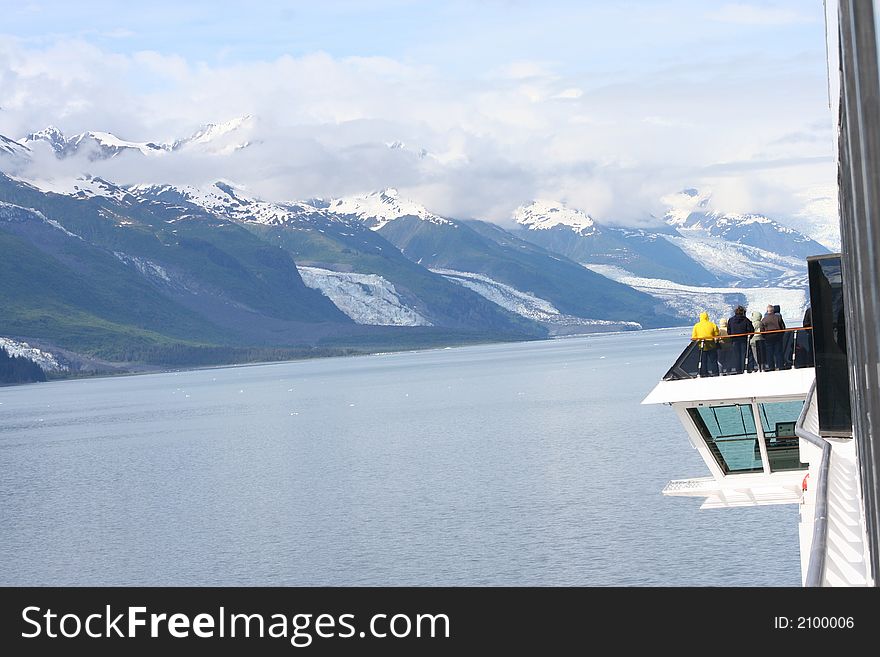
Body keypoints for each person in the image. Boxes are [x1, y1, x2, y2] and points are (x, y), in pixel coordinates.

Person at [692, 311, 719, 377]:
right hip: (711, 345)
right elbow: (717, 334)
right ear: (707, 317)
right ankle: (715, 374)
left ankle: (704, 374)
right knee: (713, 361)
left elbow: (694, 337)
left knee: (703, 361)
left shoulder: (696, 326)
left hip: (701, 346)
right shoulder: (712, 324)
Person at [727, 305, 752, 374]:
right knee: (744, 355)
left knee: (736, 356)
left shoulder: (731, 320)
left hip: (734, 340)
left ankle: (738, 370)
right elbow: (750, 330)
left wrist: (731, 337)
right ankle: (745, 369)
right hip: (744, 340)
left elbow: (728, 331)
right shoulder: (746, 320)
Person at [761, 304, 786, 371]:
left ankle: (771, 367)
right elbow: (783, 327)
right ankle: (780, 366)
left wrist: (765, 337)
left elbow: (762, 330)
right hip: (777, 337)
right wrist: (781, 335)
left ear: (767, 311)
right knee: (778, 352)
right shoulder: (778, 317)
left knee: (769, 353)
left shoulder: (764, 319)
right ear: (773, 310)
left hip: (768, 338)